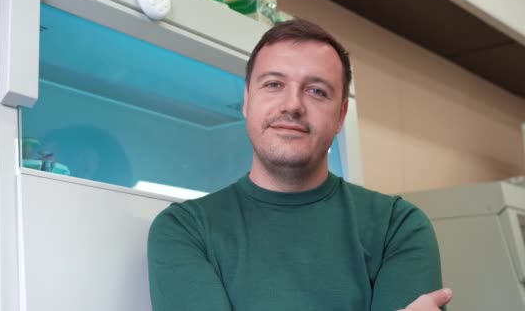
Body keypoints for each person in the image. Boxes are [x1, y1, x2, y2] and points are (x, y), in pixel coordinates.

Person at [147, 19, 451, 311]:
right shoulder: (186, 230)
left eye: (316, 90)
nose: (292, 105)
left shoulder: (396, 227)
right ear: (247, 100)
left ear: (341, 115)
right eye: (274, 84)